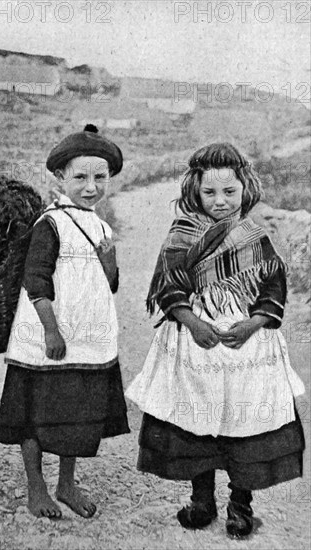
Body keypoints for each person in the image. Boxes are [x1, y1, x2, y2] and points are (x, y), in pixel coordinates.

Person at [125, 142, 305, 538]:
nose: (220, 201)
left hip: (247, 346)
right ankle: (201, 499)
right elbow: (170, 285)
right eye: (210, 192)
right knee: (197, 418)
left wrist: (254, 323)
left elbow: (273, 289)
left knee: (244, 421)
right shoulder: (182, 234)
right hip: (196, 341)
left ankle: (241, 505)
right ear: (195, 190)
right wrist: (192, 323)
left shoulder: (254, 237)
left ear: (245, 189)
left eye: (230, 192)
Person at [0, 124, 130, 519]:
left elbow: (110, 284)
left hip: (88, 335)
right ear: (60, 177)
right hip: (48, 335)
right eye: (80, 177)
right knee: (34, 411)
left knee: (76, 411)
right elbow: (35, 279)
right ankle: (36, 486)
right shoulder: (50, 223)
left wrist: (110, 263)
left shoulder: (101, 226)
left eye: (100, 178)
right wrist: (51, 330)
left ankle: (66, 482)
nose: (91, 187)